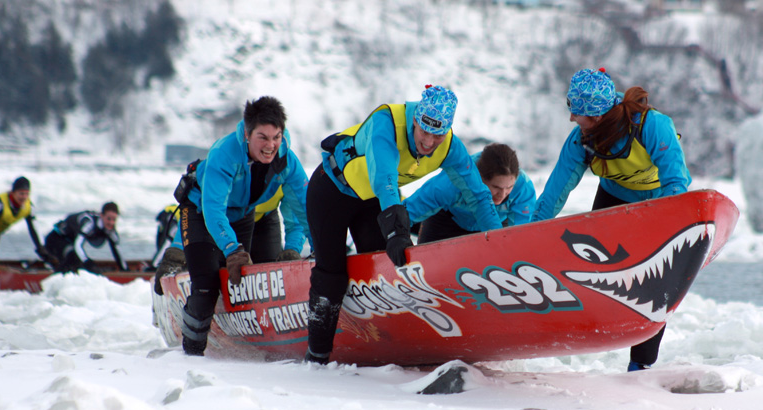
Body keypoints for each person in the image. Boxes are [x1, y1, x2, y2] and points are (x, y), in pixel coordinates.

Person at [304, 85, 502, 364]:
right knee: (331, 275)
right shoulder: (386, 124)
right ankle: (317, 356)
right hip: (332, 191)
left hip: (370, 201)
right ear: (415, 120)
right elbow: (385, 181)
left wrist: (500, 241)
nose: (430, 141)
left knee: (384, 271)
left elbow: (478, 195)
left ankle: (376, 345)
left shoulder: (449, 146)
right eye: (425, 131)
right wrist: (397, 231)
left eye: (439, 133)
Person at [533, 68, 691, 372]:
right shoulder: (581, 140)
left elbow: (676, 180)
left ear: (597, 117)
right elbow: (555, 192)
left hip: (659, 204)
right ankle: (595, 331)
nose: (571, 120)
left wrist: (661, 224)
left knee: (654, 283)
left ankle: (641, 364)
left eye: (577, 114)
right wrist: (525, 233)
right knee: (593, 268)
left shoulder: (652, 125)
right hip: (614, 200)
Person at [176, 96, 311, 356]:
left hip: (242, 215)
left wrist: (323, 247)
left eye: (277, 137)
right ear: (247, 134)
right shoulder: (224, 154)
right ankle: (190, 355)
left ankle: (254, 347)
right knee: (206, 286)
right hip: (200, 212)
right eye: (263, 137)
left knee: (244, 282)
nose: (271, 146)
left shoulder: (287, 160)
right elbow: (214, 209)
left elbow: (306, 208)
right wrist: (232, 249)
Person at [151, 187, 295, 296]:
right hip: (220, 220)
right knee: (214, 275)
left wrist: (292, 249)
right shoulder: (225, 159)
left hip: (264, 220)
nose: (270, 147)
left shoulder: (286, 164)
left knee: (270, 279)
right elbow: (195, 212)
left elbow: (297, 217)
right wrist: (176, 252)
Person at [405, 143, 536, 244]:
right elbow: (412, 209)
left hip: (497, 224)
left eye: (509, 187)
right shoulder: (452, 181)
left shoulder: (524, 188)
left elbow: (519, 234)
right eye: (496, 187)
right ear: (481, 179)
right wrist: (396, 234)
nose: (502, 195)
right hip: (448, 220)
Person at [44, 202, 128, 273]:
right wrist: (87, 262)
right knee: (73, 257)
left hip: (69, 242)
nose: (111, 222)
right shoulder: (89, 223)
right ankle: (55, 279)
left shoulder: (110, 230)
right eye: (108, 219)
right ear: (101, 215)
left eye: (114, 220)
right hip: (54, 239)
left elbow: (117, 251)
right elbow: (78, 244)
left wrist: (125, 270)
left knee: (77, 261)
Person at [0, 176, 53, 264]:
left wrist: (41, 249)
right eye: (21, 193)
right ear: (13, 193)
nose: (24, 197)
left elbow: (34, 229)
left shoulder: (28, 207)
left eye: (27, 194)